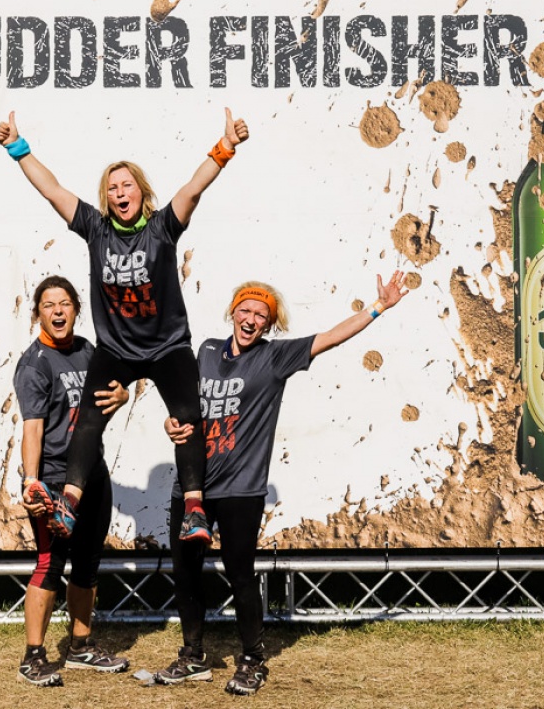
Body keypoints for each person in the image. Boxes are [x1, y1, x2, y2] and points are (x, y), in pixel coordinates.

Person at [0, 108, 249, 544]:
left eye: (126, 185)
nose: (119, 192)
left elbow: (193, 188)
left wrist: (225, 147)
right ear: (106, 198)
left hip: (168, 347)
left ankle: (194, 511)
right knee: (88, 419)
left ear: (141, 191)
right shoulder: (96, 229)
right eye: (112, 188)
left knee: (188, 419)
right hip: (116, 350)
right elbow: (52, 190)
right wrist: (18, 147)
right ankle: (69, 503)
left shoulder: (162, 228)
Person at [155, 273, 410, 696]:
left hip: (240, 489)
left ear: (270, 324)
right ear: (232, 312)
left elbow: (330, 338)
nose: (251, 319)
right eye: (245, 310)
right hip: (192, 486)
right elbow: (187, 407)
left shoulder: (274, 357)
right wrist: (172, 423)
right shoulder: (207, 351)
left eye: (261, 315)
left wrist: (379, 306)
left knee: (240, 575)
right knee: (185, 574)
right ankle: (193, 655)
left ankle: (252, 660)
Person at [15, 275, 133, 686]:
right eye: (49, 305)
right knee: (50, 564)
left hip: (93, 473)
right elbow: (32, 429)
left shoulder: (87, 350)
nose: (58, 311)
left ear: (76, 309)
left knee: (88, 563)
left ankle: (81, 647)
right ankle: (33, 657)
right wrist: (31, 481)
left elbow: (111, 392)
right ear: (38, 314)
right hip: (53, 479)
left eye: (64, 303)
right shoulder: (35, 364)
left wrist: (123, 396)